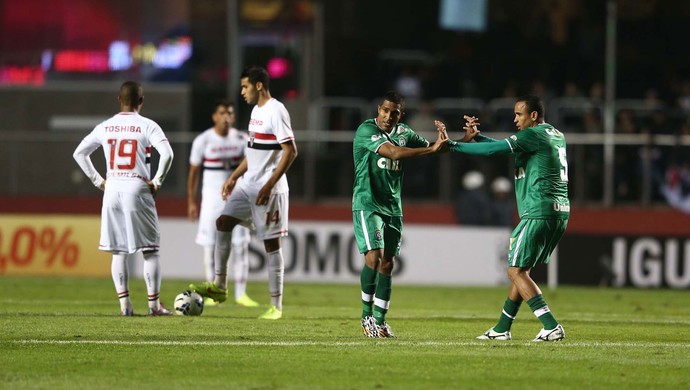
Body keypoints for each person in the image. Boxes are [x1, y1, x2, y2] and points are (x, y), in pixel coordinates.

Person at [440, 94, 569, 341]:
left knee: (515, 271)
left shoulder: (533, 134)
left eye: (519, 114)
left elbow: (494, 150)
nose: (515, 119)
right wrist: (477, 137)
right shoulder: (554, 134)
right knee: (521, 271)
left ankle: (550, 324)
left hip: (538, 210)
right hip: (558, 210)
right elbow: (503, 147)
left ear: (533, 115)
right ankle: (502, 328)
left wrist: (455, 146)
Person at [190, 66, 298, 320]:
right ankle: (220, 286)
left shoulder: (276, 110)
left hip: (270, 189)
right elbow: (253, 153)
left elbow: (291, 151)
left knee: (271, 244)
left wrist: (269, 184)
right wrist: (233, 177)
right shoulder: (255, 111)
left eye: (245, 87)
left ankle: (276, 306)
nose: (242, 92)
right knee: (223, 221)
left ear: (259, 86)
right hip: (248, 184)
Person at [73, 81, 174, 316]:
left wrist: (98, 181)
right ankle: (154, 306)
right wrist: (157, 181)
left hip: (112, 188)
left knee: (118, 251)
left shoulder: (105, 126)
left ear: (119, 100)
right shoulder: (147, 125)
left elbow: (79, 153)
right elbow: (168, 153)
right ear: (141, 101)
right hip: (137, 185)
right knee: (150, 251)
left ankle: (125, 306)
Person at [353, 90, 450, 338]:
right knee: (374, 257)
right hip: (368, 202)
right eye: (385, 110)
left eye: (394, 112)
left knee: (388, 263)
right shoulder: (367, 131)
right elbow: (394, 153)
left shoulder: (405, 132)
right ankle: (366, 317)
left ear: (400, 115)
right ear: (378, 109)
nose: (388, 116)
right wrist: (431, 151)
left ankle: (381, 321)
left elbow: (435, 147)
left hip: (393, 207)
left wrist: (465, 140)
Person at [187, 99, 259, 308]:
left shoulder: (242, 139)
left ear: (234, 117)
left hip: (237, 199)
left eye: (229, 113)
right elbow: (193, 173)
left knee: (241, 246)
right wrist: (191, 202)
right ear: (214, 117)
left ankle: (241, 294)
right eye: (222, 113)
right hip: (210, 200)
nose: (226, 117)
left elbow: (253, 166)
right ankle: (213, 291)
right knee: (210, 246)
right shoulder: (203, 140)